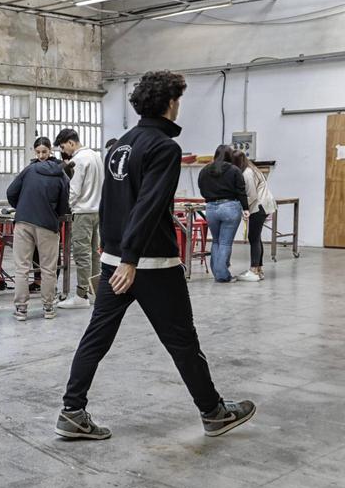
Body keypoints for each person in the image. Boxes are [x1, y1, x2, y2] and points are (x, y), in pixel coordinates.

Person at [56, 70, 255, 441]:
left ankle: (72, 410)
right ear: (169, 103)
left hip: (115, 261)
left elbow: (111, 205)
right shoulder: (165, 148)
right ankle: (213, 412)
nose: (179, 106)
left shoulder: (120, 146)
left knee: (96, 337)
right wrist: (131, 259)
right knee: (182, 340)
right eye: (178, 100)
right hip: (149, 264)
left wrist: (115, 255)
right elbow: (148, 205)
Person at [7, 137, 70, 321]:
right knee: (48, 269)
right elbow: (64, 206)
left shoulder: (28, 170)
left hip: (23, 222)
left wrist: (22, 206)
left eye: (43, 151)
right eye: (39, 152)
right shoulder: (61, 175)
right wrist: (53, 214)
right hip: (48, 225)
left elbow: (11, 192)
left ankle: (21, 309)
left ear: (49, 151)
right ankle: (49, 308)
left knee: (22, 268)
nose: (41, 155)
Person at [55, 128, 103, 308]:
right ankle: (96, 292)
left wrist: (66, 206)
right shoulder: (95, 156)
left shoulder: (78, 160)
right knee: (94, 254)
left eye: (63, 147)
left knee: (82, 255)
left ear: (71, 143)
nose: (63, 152)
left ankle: (81, 296)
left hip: (82, 212)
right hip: (97, 211)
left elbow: (74, 190)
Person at [197, 144, 249, 283]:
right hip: (230, 207)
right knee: (225, 243)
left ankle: (218, 272)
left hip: (211, 209)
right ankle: (222, 275)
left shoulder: (204, 170)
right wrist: (245, 208)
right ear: (230, 156)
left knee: (216, 241)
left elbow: (201, 189)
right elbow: (241, 190)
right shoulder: (234, 170)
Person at [230, 150, 276, 282]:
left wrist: (243, 208)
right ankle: (258, 268)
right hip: (264, 204)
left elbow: (251, 195)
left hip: (259, 205)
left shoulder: (247, 173)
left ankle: (254, 269)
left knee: (253, 237)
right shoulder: (252, 168)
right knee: (256, 237)